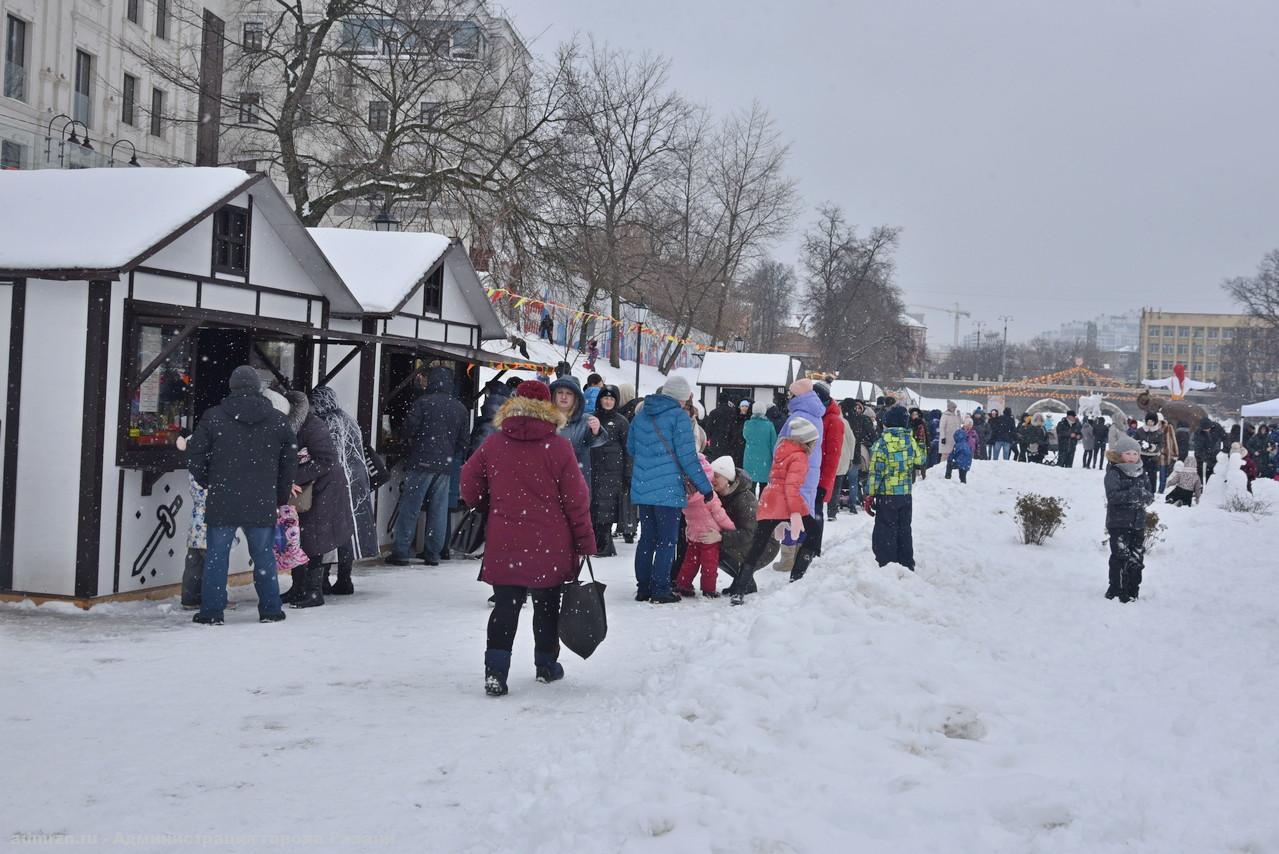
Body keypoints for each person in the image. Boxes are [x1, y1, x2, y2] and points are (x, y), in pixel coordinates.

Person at [461, 381, 596, 696]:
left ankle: (495, 670)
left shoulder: (494, 444)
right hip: (550, 541)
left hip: (504, 539)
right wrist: (586, 541)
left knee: (505, 606)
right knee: (547, 605)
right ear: (548, 407)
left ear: (513, 404)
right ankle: (546, 665)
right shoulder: (559, 447)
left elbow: (468, 480)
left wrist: (486, 503)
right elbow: (577, 500)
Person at [185, 365, 297, 625]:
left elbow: (195, 455)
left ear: (232, 387)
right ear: (258, 388)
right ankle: (270, 609)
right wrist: (279, 495)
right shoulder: (277, 420)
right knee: (263, 556)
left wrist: (208, 481)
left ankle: (212, 612)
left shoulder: (214, 417)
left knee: (216, 557)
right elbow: (289, 460)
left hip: (223, 496)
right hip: (261, 498)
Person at [627, 374, 713, 604]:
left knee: (647, 538)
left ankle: (643, 587)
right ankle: (660, 589)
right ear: (682, 398)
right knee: (666, 540)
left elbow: (631, 447)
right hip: (668, 491)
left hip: (644, 487)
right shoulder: (679, 418)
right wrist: (705, 487)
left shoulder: (641, 415)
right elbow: (688, 459)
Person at [727, 417, 819, 604]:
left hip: (769, 500)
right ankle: (797, 577)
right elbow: (791, 488)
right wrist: (795, 514)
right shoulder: (800, 456)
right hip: (786, 502)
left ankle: (739, 589)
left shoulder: (783, 449)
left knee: (757, 546)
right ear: (807, 441)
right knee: (814, 534)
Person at [388, 366, 469, 567]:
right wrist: (448, 454)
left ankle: (401, 552)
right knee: (438, 511)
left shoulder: (422, 403)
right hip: (444, 466)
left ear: (432, 381)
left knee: (411, 507)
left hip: (420, 462)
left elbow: (408, 429)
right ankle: (433, 553)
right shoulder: (459, 408)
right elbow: (463, 442)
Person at [282, 390, 354, 609]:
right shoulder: (290, 424)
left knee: (314, 536)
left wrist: (294, 477)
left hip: (325, 487)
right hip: (305, 488)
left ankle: (314, 591)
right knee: (297, 535)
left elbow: (328, 459)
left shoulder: (313, 426)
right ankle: (298, 587)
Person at [307, 386, 377, 597]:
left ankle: (324, 579)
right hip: (357, 480)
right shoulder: (349, 419)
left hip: (339, 482)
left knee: (330, 530)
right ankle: (345, 578)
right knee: (348, 530)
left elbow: (328, 457)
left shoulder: (326, 422)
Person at [673, 449, 737, 598]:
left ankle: (683, 585)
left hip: (694, 535)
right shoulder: (708, 495)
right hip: (709, 535)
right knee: (709, 565)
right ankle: (709, 589)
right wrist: (730, 528)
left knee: (690, 563)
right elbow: (719, 514)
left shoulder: (686, 497)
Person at [865, 406, 921, 571]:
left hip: (886, 494)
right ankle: (906, 562)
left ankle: (887, 563)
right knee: (904, 529)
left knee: (886, 529)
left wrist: (870, 495)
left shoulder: (882, 443)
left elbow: (876, 472)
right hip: (905, 493)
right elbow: (920, 459)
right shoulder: (910, 440)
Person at [1103, 427, 1154, 603]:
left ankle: (1132, 590)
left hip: (1138, 523)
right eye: (1128, 453)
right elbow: (1113, 496)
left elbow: (1149, 495)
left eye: (1135, 453)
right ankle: (1115, 588)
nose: (1132, 457)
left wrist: (1143, 496)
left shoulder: (1142, 473)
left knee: (1136, 558)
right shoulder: (1114, 472)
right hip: (1118, 523)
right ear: (1119, 455)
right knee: (1119, 557)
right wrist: (1134, 494)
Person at [710, 457, 778, 582]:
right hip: (747, 540)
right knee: (712, 548)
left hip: (764, 546)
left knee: (720, 547)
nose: (712, 479)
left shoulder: (745, 499)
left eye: (717, 476)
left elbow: (749, 533)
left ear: (728, 479)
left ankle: (745, 581)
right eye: (711, 475)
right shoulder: (717, 496)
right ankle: (740, 579)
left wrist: (721, 537)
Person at [549, 375, 608, 492]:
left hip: (576, 486)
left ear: (576, 398)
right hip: (548, 485)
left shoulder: (585, 421)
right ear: (554, 395)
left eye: (569, 393)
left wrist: (595, 431)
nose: (564, 396)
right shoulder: (544, 420)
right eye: (560, 392)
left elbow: (599, 440)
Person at [590, 386, 629, 557]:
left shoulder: (621, 421)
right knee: (595, 505)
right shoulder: (592, 418)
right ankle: (598, 542)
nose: (608, 401)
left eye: (612, 399)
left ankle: (604, 543)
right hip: (593, 467)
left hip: (613, 471)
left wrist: (628, 473)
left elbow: (628, 450)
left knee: (607, 507)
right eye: (605, 398)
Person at [813, 381, 845, 521]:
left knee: (815, 518)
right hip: (809, 477)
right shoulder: (817, 416)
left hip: (818, 480)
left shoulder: (833, 421)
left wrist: (824, 485)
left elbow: (833, 455)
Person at [742, 406, 778, 497]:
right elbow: (774, 442)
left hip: (750, 458)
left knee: (751, 484)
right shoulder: (769, 425)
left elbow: (745, 436)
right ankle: (762, 504)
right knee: (763, 485)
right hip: (765, 459)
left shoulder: (747, 424)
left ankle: (752, 505)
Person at [829, 412, 856, 520]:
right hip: (842, 457)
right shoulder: (844, 422)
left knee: (827, 484)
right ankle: (832, 510)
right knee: (837, 486)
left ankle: (824, 507)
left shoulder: (825, 420)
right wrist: (851, 457)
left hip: (828, 457)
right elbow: (852, 440)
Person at [1135, 413, 1163, 493]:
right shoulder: (1140, 430)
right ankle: (1140, 491)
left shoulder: (1159, 432)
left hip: (1153, 457)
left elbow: (1160, 445)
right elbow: (1134, 441)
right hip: (1141, 456)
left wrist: (1152, 447)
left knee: (1152, 476)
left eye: (1152, 421)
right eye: (1148, 421)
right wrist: (1140, 443)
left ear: (1155, 422)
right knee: (1140, 474)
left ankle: (1151, 492)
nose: (1150, 423)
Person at [1157, 418, 1179, 493]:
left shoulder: (1168, 428)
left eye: (1160, 423)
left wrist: (1175, 453)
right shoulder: (1156, 431)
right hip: (1159, 456)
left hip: (1167, 455)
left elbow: (1173, 440)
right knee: (1161, 474)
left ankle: (1162, 489)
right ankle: (1161, 489)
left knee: (1165, 474)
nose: (1159, 424)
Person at [909, 408, 930, 480]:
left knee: (922, 461)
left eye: (916, 414)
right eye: (913, 414)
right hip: (911, 445)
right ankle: (913, 479)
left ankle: (924, 477)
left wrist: (928, 445)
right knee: (913, 463)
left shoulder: (922, 423)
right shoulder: (908, 423)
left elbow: (926, 435)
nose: (914, 416)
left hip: (921, 445)